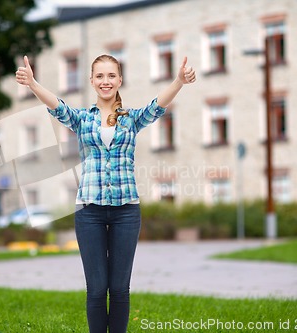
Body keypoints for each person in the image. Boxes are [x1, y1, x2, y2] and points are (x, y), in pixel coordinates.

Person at [16, 54, 196, 333]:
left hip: (126, 210)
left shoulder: (131, 119)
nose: (105, 81)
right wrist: (34, 84)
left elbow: (156, 106)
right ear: (91, 81)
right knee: (97, 289)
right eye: (99, 76)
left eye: (111, 75)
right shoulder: (81, 120)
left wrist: (178, 81)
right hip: (89, 212)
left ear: (120, 80)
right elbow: (57, 106)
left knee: (120, 288)